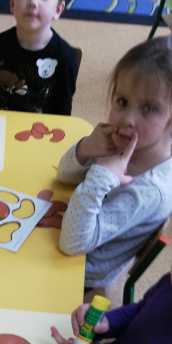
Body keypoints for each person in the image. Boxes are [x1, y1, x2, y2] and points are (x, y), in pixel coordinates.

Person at [57, 36, 172, 292]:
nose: (127, 119)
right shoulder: (128, 139)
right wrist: (85, 148)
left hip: (80, 272)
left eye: (148, 108)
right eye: (122, 102)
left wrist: (101, 176)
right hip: (70, 225)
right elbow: (63, 175)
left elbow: (72, 244)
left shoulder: (151, 191)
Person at [0, 0, 78, 115]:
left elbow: (63, 111)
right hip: (0, 121)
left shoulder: (65, 56)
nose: (32, 2)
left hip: (42, 125)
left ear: (58, 9)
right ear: (12, 4)